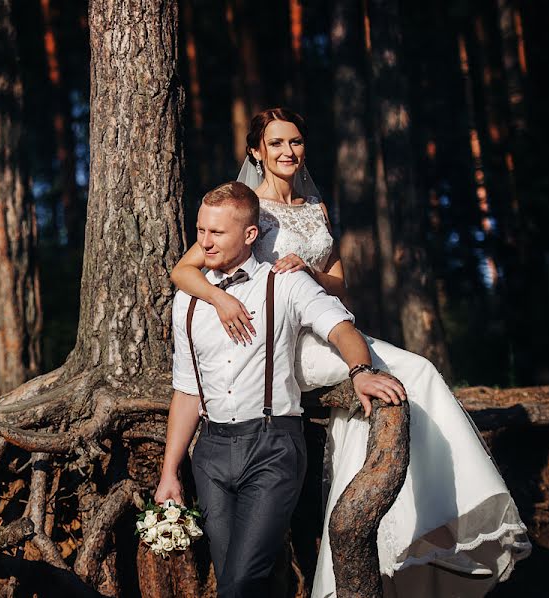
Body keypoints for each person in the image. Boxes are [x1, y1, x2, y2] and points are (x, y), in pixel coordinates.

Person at [170, 107, 530, 597]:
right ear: (255, 152)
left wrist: (308, 274)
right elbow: (184, 271)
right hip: (278, 340)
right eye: (275, 144)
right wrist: (223, 298)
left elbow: (339, 283)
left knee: (415, 374)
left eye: (295, 142)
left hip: (317, 316)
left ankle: (435, 514)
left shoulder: (314, 205)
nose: (288, 152)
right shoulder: (242, 208)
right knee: (415, 369)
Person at [154, 181, 407, 597]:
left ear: (250, 235)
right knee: (238, 577)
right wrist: (170, 472)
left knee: (240, 582)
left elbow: (341, 328)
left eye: (216, 233)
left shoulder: (284, 282)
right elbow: (186, 392)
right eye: (200, 231)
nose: (204, 242)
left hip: (272, 448)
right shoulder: (190, 300)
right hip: (211, 455)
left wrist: (360, 370)